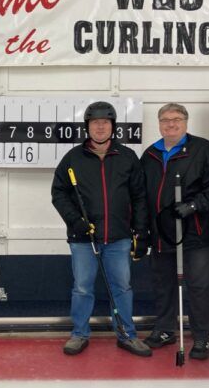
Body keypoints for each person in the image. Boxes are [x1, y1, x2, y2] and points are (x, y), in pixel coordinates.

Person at [51, 101, 152, 357]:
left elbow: (140, 197)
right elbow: (59, 194)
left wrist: (141, 232)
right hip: (83, 238)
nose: (100, 127)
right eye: (95, 123)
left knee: (122, 287)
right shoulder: (73, 158)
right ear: (87, 127)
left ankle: (127, 335)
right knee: (82, 287)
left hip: (118, 238)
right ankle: (79, 333)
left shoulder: (127, 157)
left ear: (113, 127)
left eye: (105, 122)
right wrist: (76, 221)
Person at [140, 103, 209, 360]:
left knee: (199, 285)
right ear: (159, 124)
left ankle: (201, 336)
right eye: (165, 120)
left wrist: (193, 205)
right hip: (162, 232)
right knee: (163, 284)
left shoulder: (204, 150)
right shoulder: (150, 155)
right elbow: (141, 196)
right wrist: (143, 229)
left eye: (176, 119)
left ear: (186, 122)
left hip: (196, 232)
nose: (171, 124)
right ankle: (165, 329)